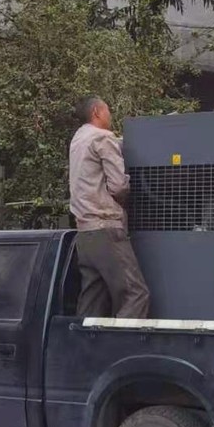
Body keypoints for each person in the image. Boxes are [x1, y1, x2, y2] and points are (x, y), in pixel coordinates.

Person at [68, 96, 151, 320]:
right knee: (135, 294)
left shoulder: (78, 139)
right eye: (108, 109)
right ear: (97, 111)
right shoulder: (103, 137)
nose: (110, 115)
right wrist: (129, 202)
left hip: (85, 234)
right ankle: (122, 341)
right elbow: (118, 185)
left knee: (92, 301)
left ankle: (84, 341)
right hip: (106, 229)